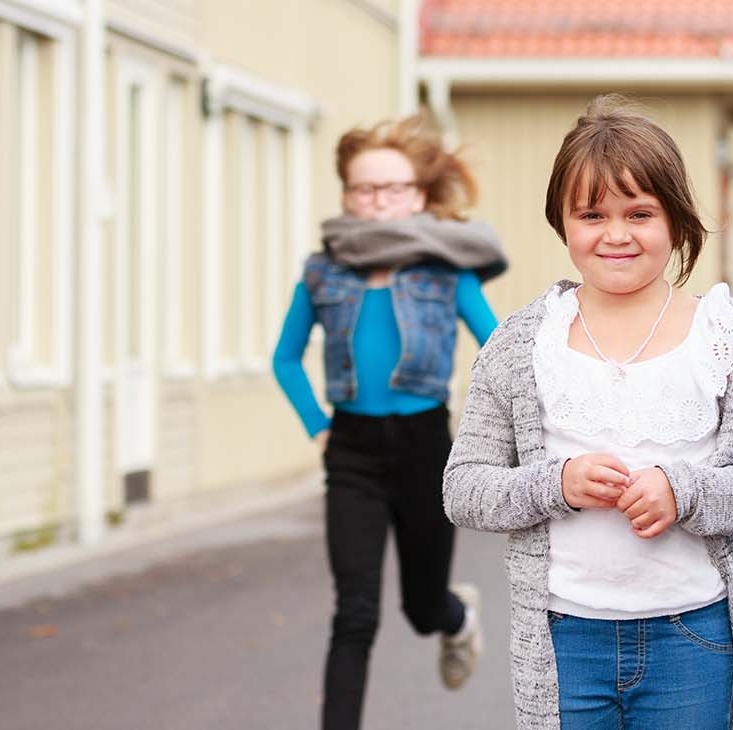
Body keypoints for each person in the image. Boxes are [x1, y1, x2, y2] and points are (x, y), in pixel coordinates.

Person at [442, 95, 733, 729]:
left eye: (640, 212)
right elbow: (464, 488)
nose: (616, 233)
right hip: (565, 639)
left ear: (676, 221)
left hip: (693, 635)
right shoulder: (522, 344)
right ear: (563, 222)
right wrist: (557, 483)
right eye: (592, 213)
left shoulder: (726, 336)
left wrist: (683, 491)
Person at [271, 114, 501, 730]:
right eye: (364, 190)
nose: (378, 202)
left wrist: (486, 433)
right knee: (355, 614)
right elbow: (285, 358)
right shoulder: (323, 271)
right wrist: (319, 427)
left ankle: (456, 619)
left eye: (393, 190)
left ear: (419, 196)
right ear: (346, 195)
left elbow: (499, 352)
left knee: (420, 608)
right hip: (352, 454)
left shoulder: (445, 269)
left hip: (427, 448)